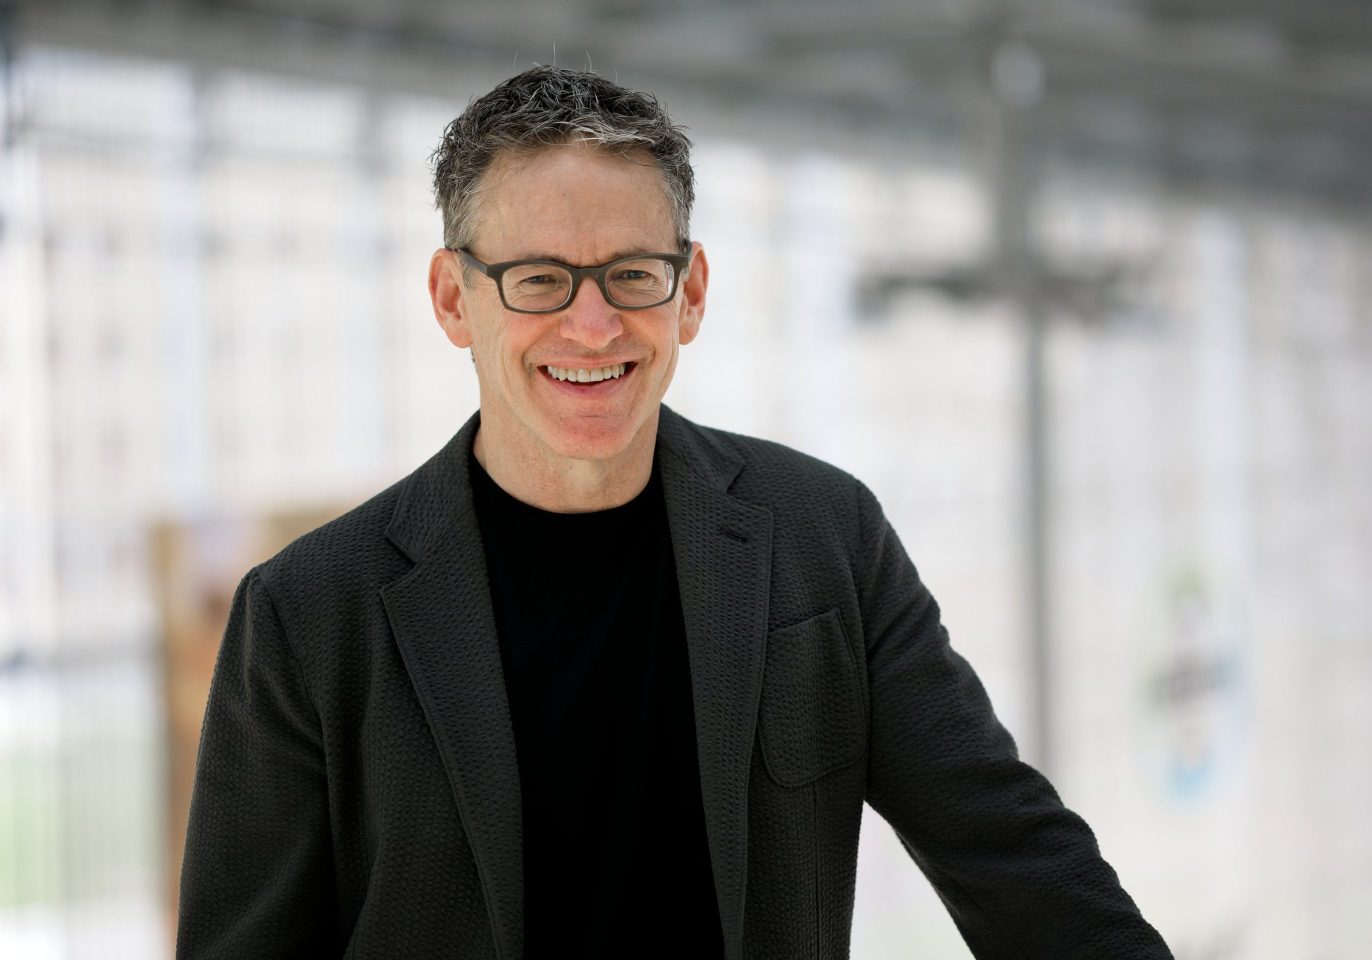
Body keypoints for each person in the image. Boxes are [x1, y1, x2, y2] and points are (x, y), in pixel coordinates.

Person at [176, 66, 1173, 959]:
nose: (593, 324)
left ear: (689, 292)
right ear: (452, 299)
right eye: (539, 280)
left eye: (632, 275)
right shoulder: (310, 615)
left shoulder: (823, 538)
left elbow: (1010, 852)